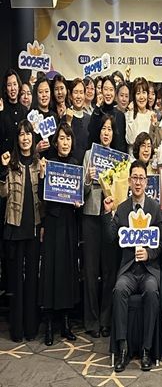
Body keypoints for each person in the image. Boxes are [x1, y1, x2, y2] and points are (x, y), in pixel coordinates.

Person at [103, 160, 162, 372]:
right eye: (135, 178)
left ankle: (147, 349)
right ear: (129, 181)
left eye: (141, 178)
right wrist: (108, 213)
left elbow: (161, 243)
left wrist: (149, 253)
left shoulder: (154, 208)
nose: (138, 182)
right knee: (119, 289)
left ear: (146, 182)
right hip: (129, 270)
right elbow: (110, 238)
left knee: (152, 291)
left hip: (148, 270)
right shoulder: (122, 208)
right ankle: (122, 348)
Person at [38, 123, 81, 346]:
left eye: (68, 139)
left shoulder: (76, 164)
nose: (65, 142)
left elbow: (80, 199)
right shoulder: (49, 163)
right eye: (62, 138)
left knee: (67, 272)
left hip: (69, 223)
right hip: (53, 223)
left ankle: (65, 323)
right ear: (56, 142)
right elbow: (41, 195)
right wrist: (42, 175)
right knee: (50, 272)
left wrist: (78, 202)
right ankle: (48, 324)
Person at [0, 120, 42, 342]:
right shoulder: (11, 163)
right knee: (16, 281)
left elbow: (43, 198)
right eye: (21, 134)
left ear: (33, 138)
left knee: (32, 280)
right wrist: (2, 169)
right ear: (17, 139)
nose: (25, 138)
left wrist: (44, 175)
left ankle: (31, 328)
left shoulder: (38, 163)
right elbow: (3, 193)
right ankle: (16, 330)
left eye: (28, 134)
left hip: (34, 228)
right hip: (14, 228)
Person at [82, 115, 120, 338]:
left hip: (109, 217)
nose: (106, 133)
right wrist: (88, 179)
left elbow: (121, 191)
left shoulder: (118, 159)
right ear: (99, 132)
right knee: (90, 271)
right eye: (104, 129)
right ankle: (91, 321)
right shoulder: (89, 155)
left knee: (109, 270)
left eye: (110, 129)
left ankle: (106, 320)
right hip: (90, 216)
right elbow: (81, 191)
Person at [88, 76, 127, 152]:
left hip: (114, 156)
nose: (108, 93)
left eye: (111, 90)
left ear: (115, 92)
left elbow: (121, 144)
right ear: (101, 91)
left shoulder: (120, 115)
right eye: (105, 89)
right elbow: (91, 134)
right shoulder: (97, 112)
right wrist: (97, 106)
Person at [126, 77, 157, 155]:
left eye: (144, 92)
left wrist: (153, 126)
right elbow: (131, 140)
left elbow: (153, 143)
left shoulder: (152, 115)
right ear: (134, 96)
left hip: (149, 159)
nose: (142, 97)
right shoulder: (129, 115)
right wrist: (131, 113)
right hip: (133, 159)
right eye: (138, 93)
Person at [0, 69, 27, 154]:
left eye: (15, 84)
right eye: (9, 85)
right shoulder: (2, 108)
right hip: (4, 155)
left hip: (20, 156)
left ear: (19, 86)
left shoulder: (24, 110)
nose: (12, 88)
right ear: (5, 88)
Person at [68, 78, 91, 163]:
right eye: (75, 92)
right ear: (70, 96)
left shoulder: (89, 119)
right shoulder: (66, 118)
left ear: (84, 95)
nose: (78, 96)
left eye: (81, 92)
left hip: (86, 165)